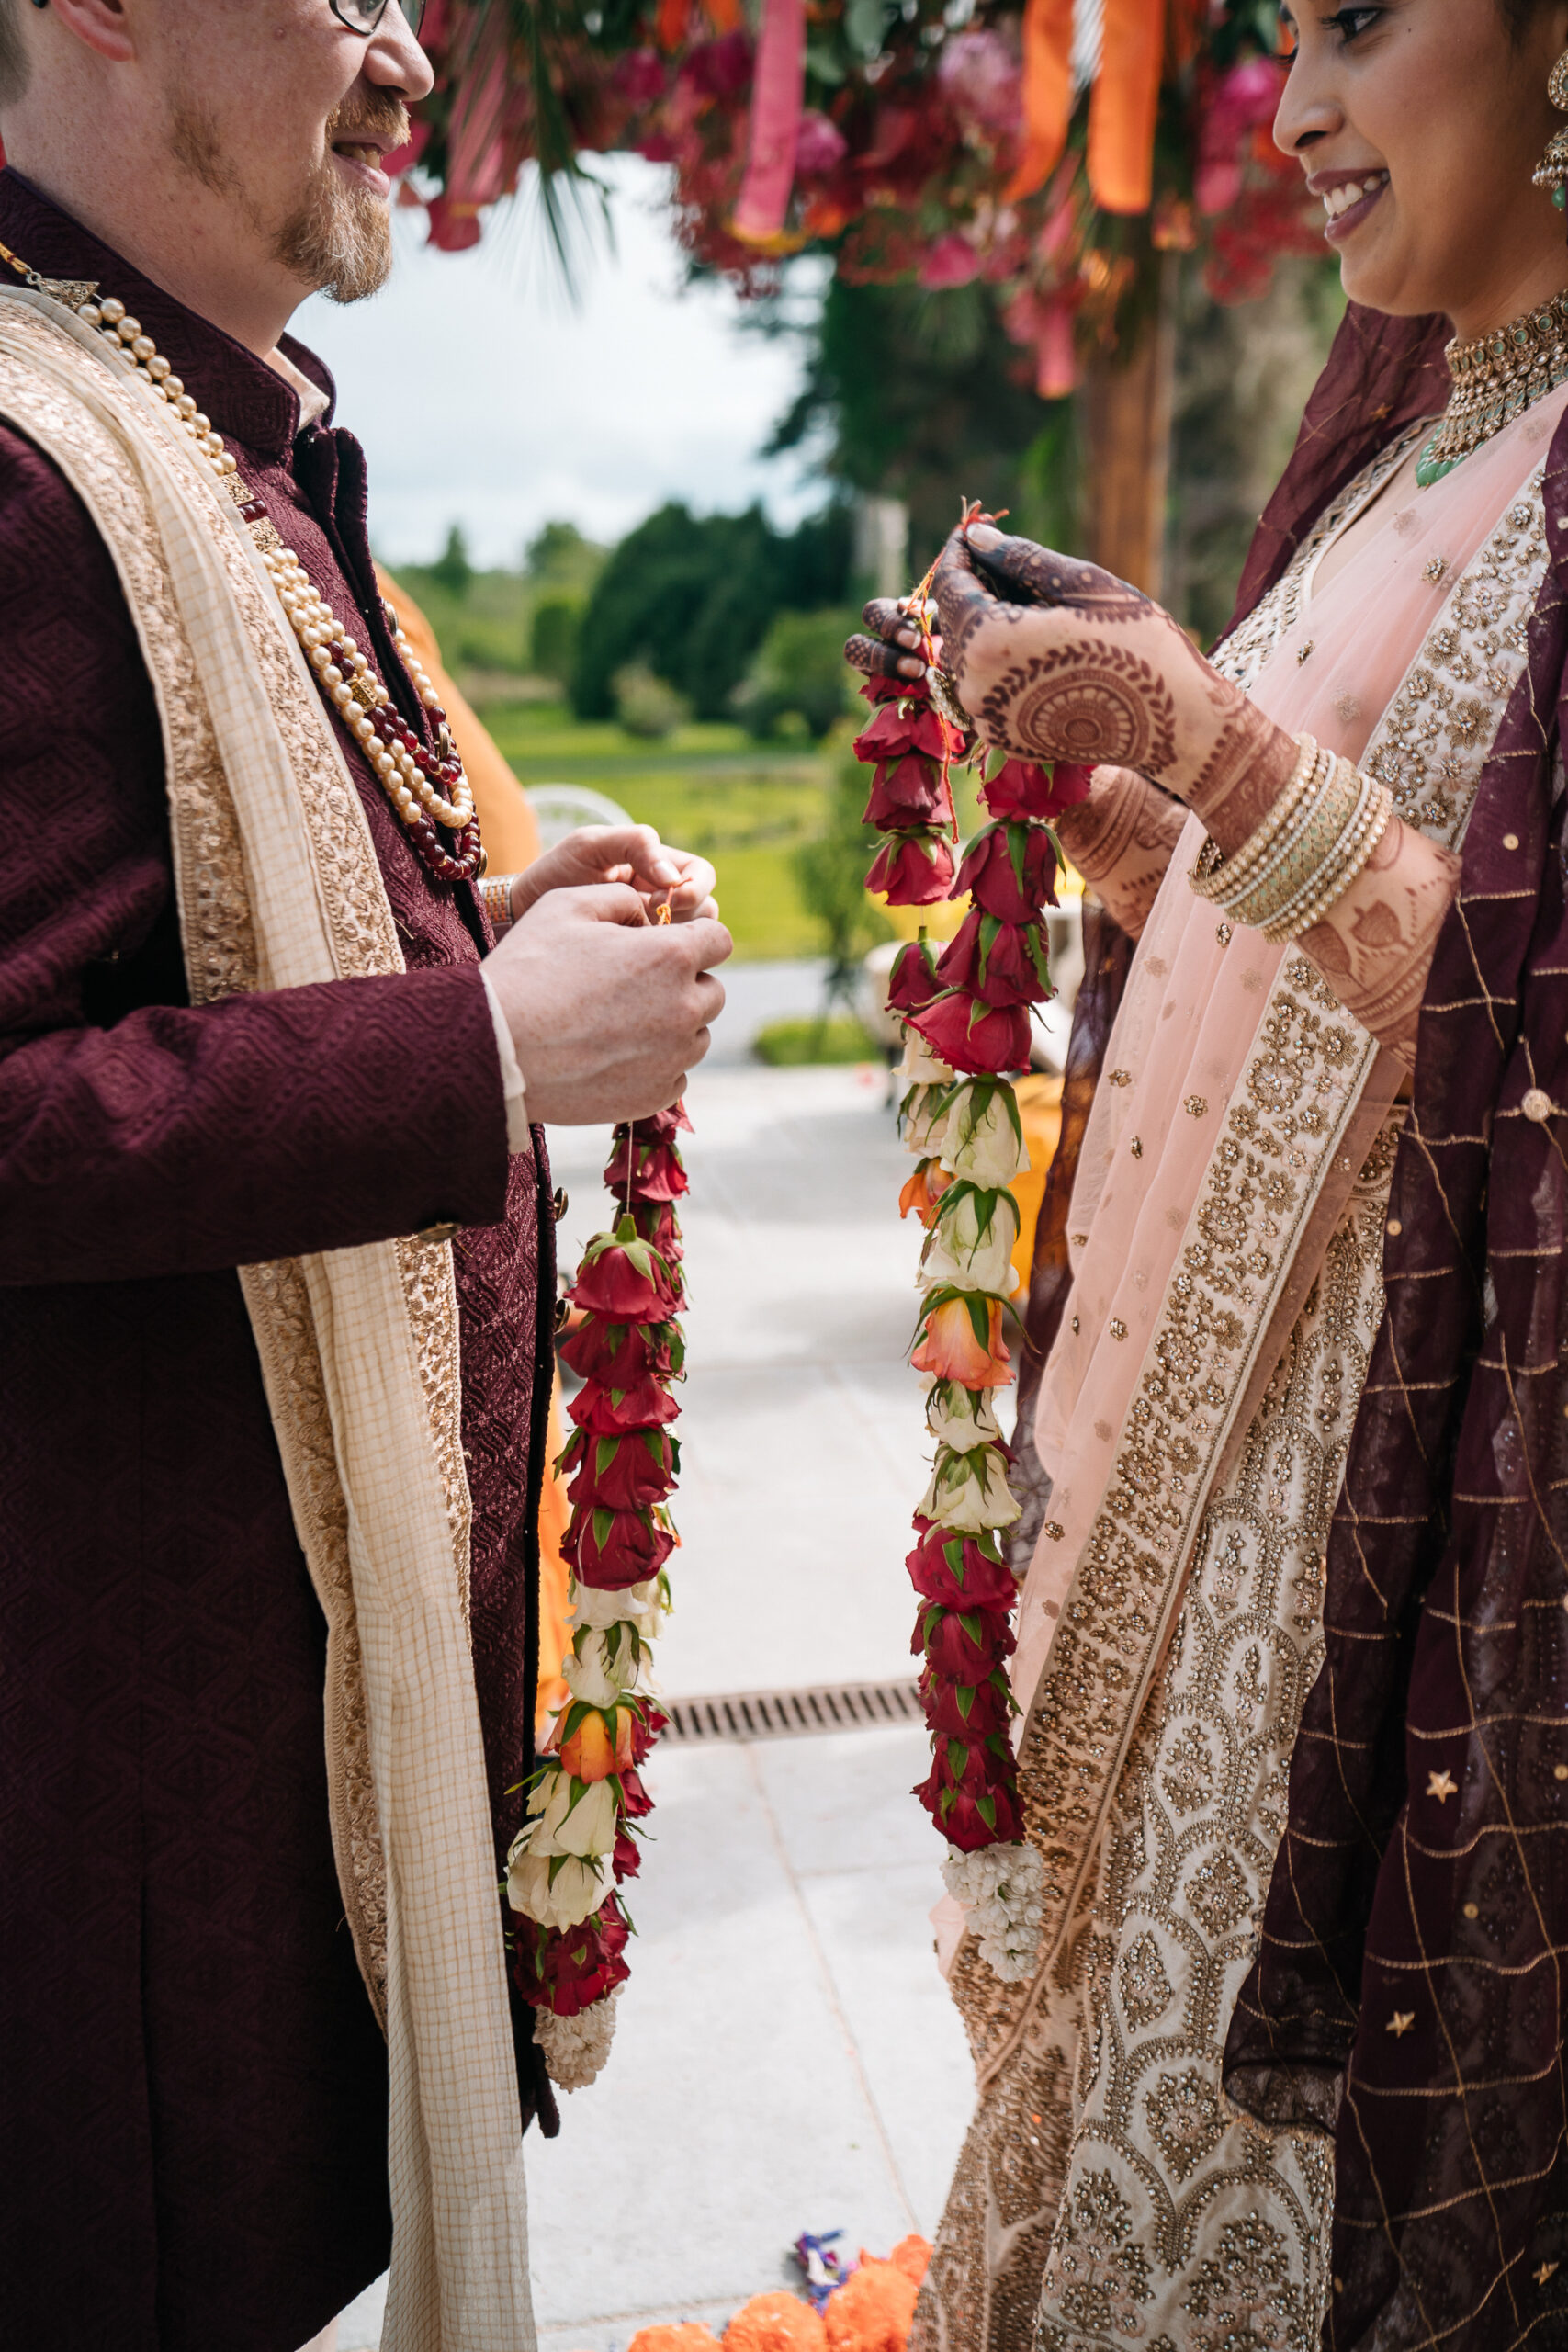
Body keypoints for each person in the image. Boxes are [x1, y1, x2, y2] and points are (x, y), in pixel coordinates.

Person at [0, 2, 728, 2346]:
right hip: (107, 1885)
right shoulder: (22, 460)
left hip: (266, 1823)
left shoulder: (215, 432)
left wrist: (463, 939)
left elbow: (177, 936)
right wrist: (473, 1054)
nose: (412, 53)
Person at [849, 0, 1568, 2345]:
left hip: (1394, 1472)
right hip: (1207, 1440)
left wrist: (1202, 731)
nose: (1290, 111)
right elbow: (1340, 938)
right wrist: (1131, 812)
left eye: (1355, 22)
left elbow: (1529, 1017)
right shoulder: (1400, 461)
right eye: (1272, 39)